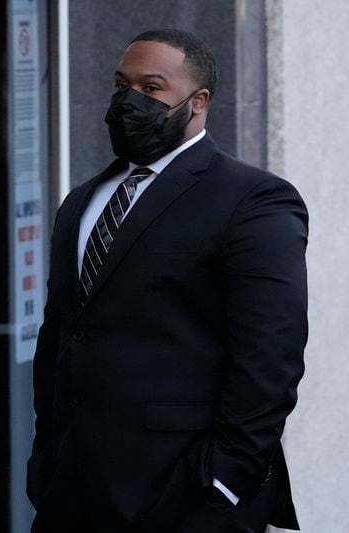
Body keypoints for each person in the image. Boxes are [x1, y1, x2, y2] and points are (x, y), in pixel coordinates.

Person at [28, 29, 307, 533]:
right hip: (72, 496)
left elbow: (271, 356)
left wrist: (225, 481)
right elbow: (60, 338)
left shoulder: (253, 200)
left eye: (151, 87)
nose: (128, 100)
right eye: (120, 84)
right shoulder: (81, 202)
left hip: (187, 497)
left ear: (198, 102)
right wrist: (45, 458)